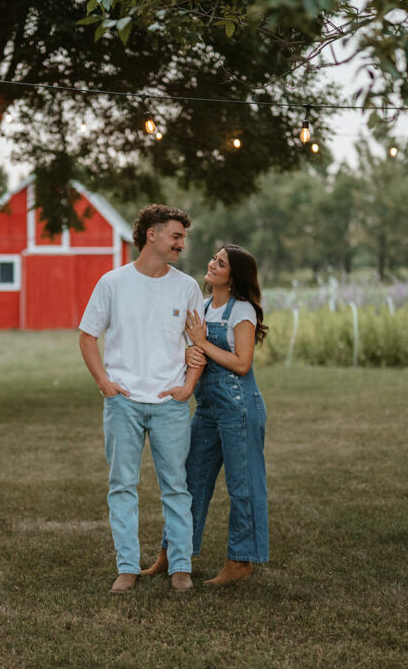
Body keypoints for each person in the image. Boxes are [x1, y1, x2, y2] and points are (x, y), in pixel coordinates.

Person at [78, 203, 205, 594]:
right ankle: (127, 567)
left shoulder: (187, 287)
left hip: (170, 403)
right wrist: (105, 383)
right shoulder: (112, 283)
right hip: (123, 402)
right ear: (152, 234)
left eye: (183, 237)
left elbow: (197, 345)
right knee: (122, 486)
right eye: (176, 235)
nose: (182, 243)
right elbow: (87, 335)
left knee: (177, 487)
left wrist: (188, 386)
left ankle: (180, 567)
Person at [141, 244, 269, 585]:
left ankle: (240, 561)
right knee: (189, 481)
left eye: (221, 262)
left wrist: (203, 342)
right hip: (208, 408)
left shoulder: (242, 310)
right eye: (214, 258)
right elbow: (190, 349)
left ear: (233, 275)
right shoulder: (204, 305)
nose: (212, 264)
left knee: (243, 485)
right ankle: (172, 555)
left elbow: (242, 364)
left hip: (239, 408)